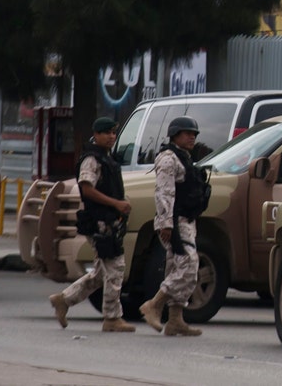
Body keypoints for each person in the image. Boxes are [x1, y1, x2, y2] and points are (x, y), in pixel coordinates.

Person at [48, 117, 134, 332]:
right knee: (116, 268)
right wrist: (115, 203)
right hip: (99, 222)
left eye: (114, 133)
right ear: (96, 134)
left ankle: (64, 300)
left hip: (109, 220)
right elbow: (87, 189)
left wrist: (121, 204)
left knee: (99, 274)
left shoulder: (107, 158)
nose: (111, 137)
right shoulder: (91, 159)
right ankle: (112, 318)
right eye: (106, 133)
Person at [139, 116, 211, 337]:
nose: (192, 137)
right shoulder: (169, 159)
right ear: (175, 135)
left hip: (186, 220)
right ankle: (154, 304)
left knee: (175, 267)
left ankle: (175, 320)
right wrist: (167, 223)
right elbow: (164, 193)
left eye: (194, 134)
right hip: (174, 222)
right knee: (189, 266)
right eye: (187, 133)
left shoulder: (185, 157)